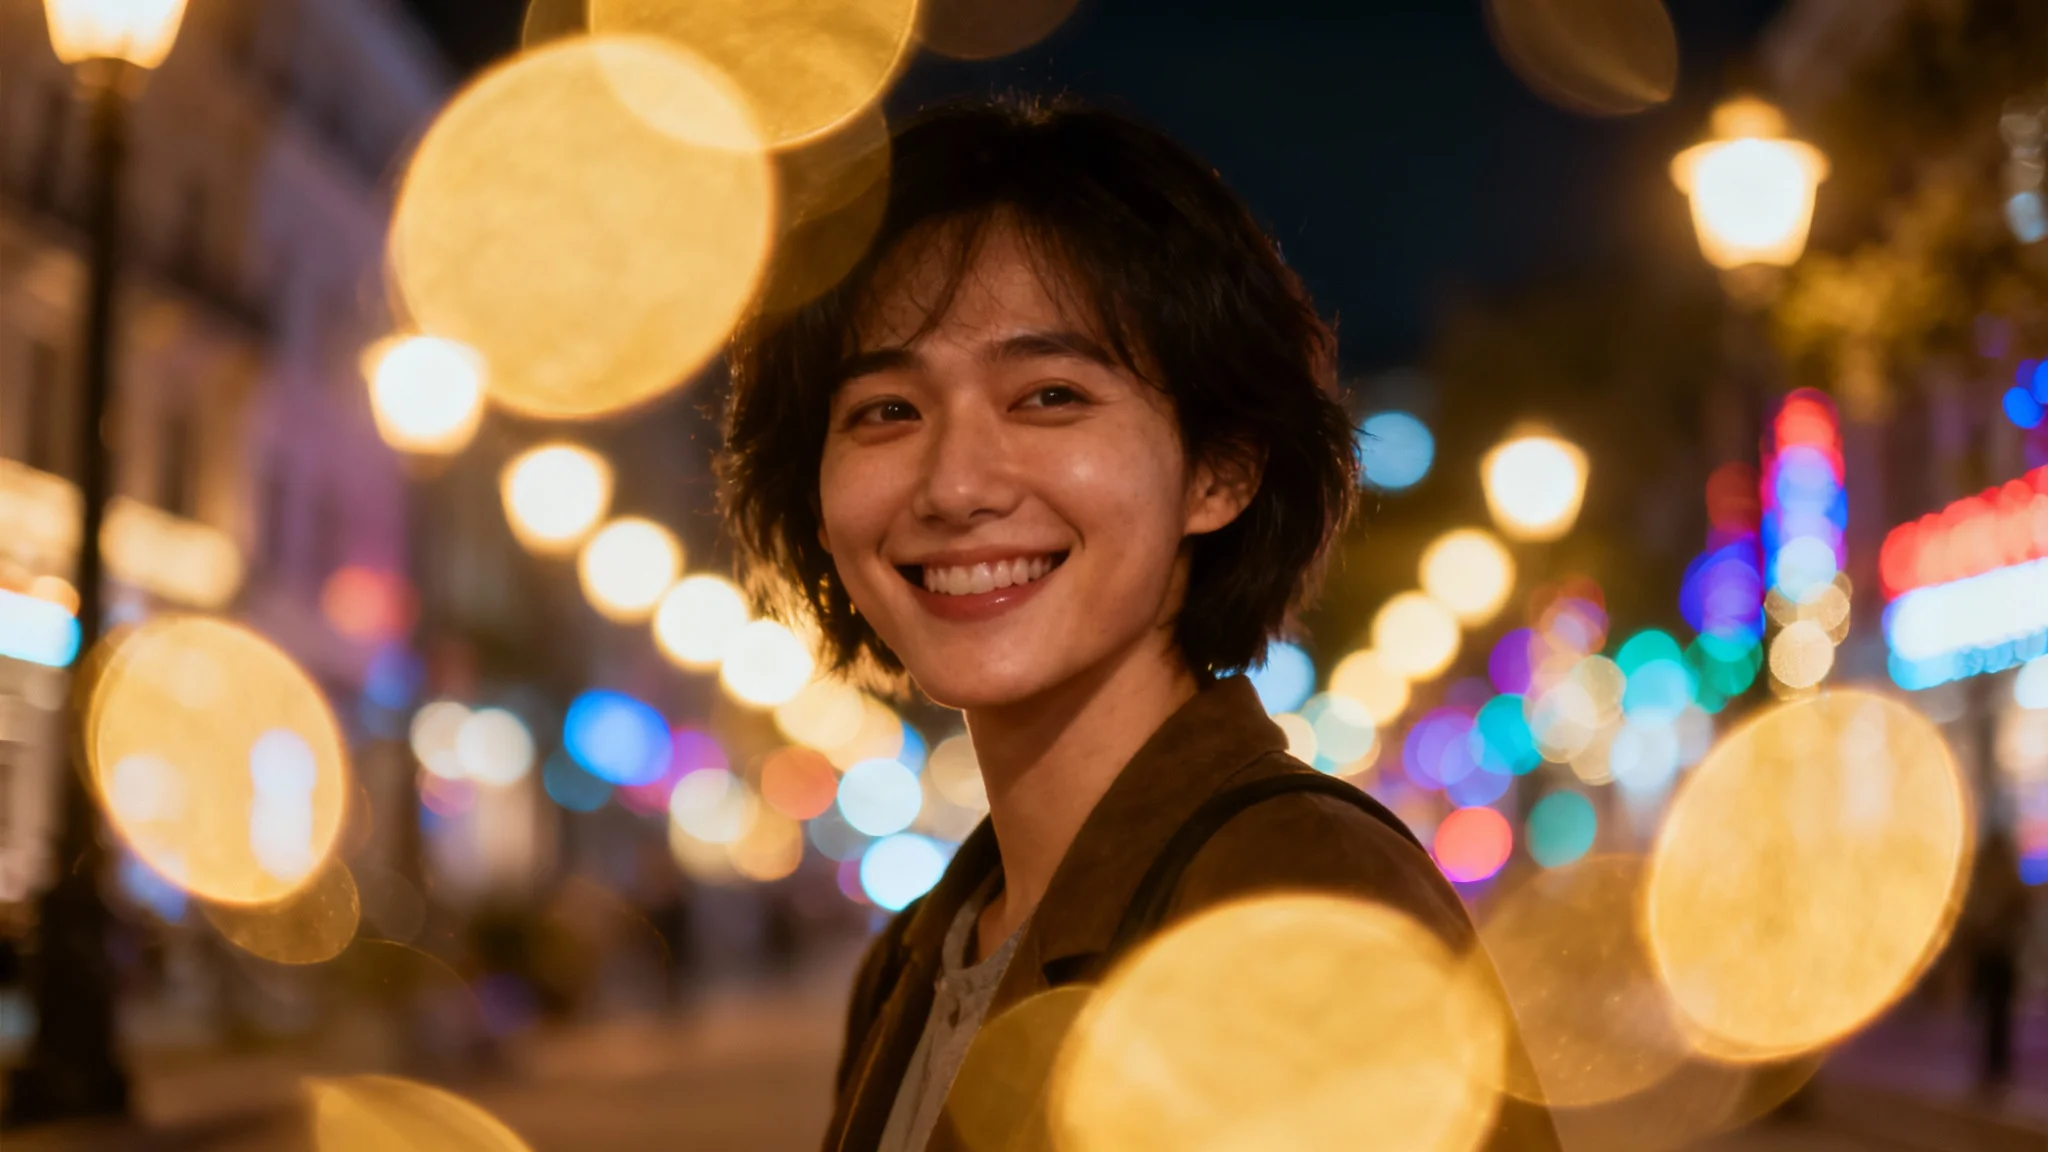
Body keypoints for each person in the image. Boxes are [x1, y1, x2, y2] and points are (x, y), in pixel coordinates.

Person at [721, 97, 1555, 1152]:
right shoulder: (915, 962)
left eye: (1049, 395)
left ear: (1220, 470)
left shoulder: (1293, 911)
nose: (954, 484)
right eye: (886, 410)